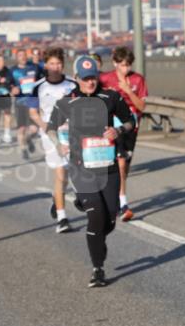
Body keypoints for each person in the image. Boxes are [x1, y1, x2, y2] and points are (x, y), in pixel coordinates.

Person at [45, 55, 135, 287]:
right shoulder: (68, 101)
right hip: (81, 168)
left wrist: (118, 131)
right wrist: (58, 144)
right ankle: (98, 269)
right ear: (76, 79)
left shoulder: (111, 97)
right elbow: (51, 127)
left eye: (93, 77)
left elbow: (130, 120)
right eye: (85, 79)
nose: (90, 83)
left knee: (110, 219)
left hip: (108, 167)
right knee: (96, 216)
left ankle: (91, 219)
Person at [30, 47, 79, 233]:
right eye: (51, 64)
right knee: (60, 172)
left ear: (63, 65)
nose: (55, 67)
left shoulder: (73, 84)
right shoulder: (38, 87)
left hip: (72, 133)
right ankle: (62, 219)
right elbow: (33, 113)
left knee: (70, 173)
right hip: (50, 135)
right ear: (45, 65)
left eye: (58, 63)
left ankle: (57, 198)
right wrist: (47, 128)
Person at [99, 45, 147, 222]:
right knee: (117, 164)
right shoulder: (105, 79)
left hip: (130, 127)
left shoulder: (137, 80)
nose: (126, 69)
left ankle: (116, 194)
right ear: (115, 63)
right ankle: (123, 204)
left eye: (128, 65)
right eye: (122, 65)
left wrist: (128, 91)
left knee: (124, 167)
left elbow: (142, 107)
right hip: (111, 127)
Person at [10, 49, 42, 160]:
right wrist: (12, 89)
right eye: (20, 55)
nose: (22, 57)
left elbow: (42, 80)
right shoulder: (12, 70)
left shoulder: (34, 67)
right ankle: (23, 149)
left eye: (24, 55)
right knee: (21, 129)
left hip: (32, 101)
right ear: (16, 58)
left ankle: (28, 139)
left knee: (34, 129)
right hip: (20, 103)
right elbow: (8, 85)